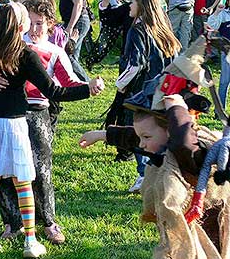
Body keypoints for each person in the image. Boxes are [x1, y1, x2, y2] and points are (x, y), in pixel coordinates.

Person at [0, 2, 102, 257]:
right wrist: (87, 89)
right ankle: (31, 241)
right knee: (23, 182)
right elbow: (53, 91)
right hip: (14, 122)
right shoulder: (25, 53)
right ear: (21, 25)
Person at [79, 94, 230, 258]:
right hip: (187, 231)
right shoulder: (164, 147)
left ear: (170, 130)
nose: (142, 143)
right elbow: (135, 138)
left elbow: (182, 143)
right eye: (140, 137)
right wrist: (102, 135)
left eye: (146, 137)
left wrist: (176, 108)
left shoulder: (195, 154)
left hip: (210, 231)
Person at [114, 0, 181, 193]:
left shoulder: (138, 30)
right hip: (165, 89)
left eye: (132, 1)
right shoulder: (163, 30)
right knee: (160, 134)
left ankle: (144, 175)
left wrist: (120, 85)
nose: (129, 5)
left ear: (142, 5)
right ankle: (166, 175)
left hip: (143, 92)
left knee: (140, 134)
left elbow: (136, 64)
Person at [58, 0, 90, 81]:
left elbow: (78, 4)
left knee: (68, 54)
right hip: (73, 21)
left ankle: (87, 83)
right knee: (72, 55)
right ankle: (77, 82)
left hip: (78, 22)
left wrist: (70, 26)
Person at [207, 2, 230, 110]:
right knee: (224, 81)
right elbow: (211, 25)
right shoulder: (223, 14)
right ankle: (220, 110)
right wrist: (216, 11)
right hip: (227, 51)